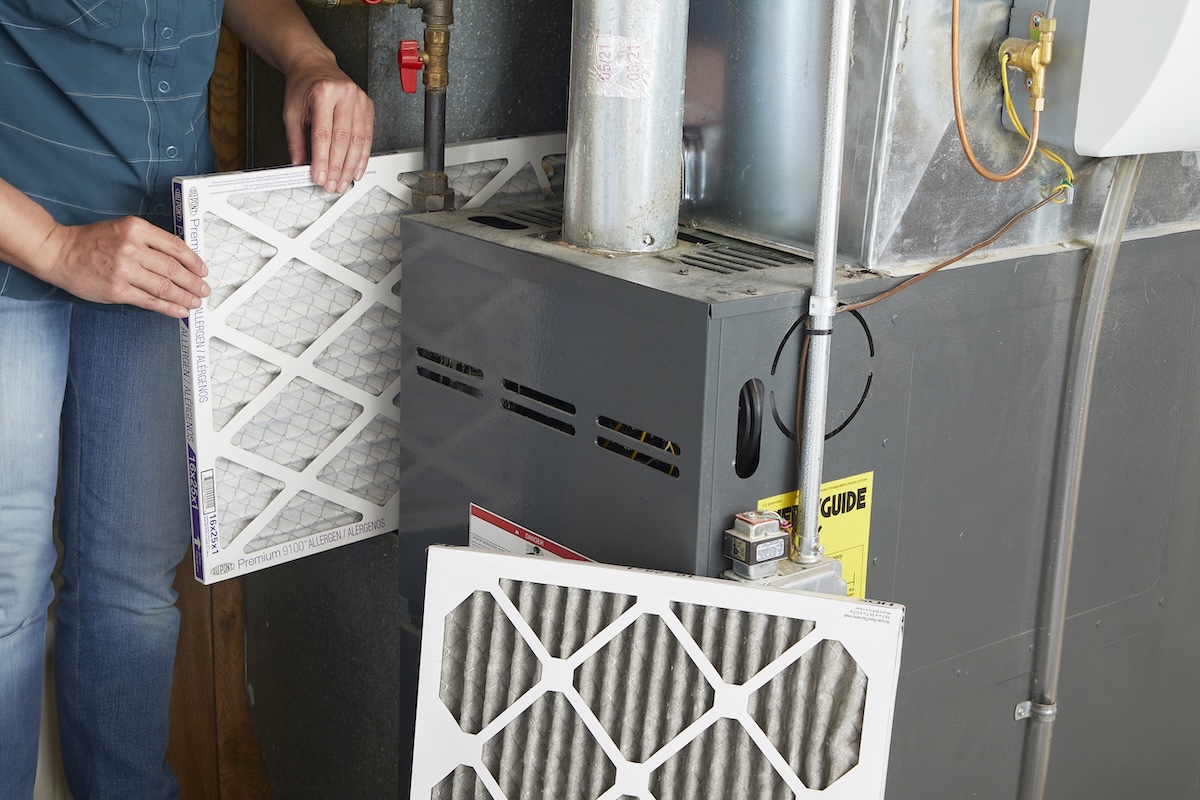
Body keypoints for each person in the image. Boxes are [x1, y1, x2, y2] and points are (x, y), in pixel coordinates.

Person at [0, 1, 374, 796]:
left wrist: (308, 57)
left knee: (132, 587)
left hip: (156, 245)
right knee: (3, 590)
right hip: (13, 242)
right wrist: (55, 247)